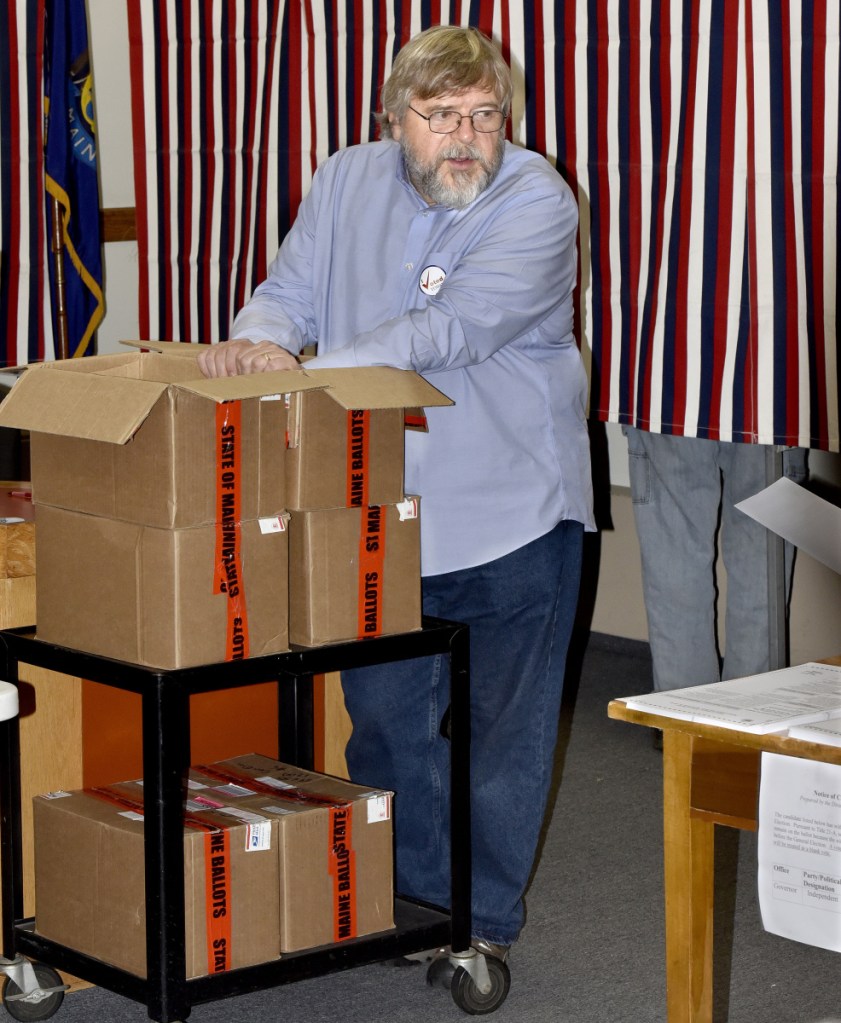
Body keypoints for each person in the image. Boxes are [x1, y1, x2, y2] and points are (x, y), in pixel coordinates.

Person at [198, 24, 595, 960]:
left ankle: (482, 922)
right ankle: (414, 906)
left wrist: (298, 374)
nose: (465, 137)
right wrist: (257, 337)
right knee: (384, 723)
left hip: (513, 514)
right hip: (376, 514)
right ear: (392, 120)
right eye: (439, 116)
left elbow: (442, 332)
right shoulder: (344, 179)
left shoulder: (536, 198)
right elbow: (287, 290)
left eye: (484, 115)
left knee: (502, 737)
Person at [625, 427, 808, 697]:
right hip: (770, 395)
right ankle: (751, 717)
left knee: (676, 559)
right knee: (762, 564)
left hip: (671, 393)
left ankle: (685, 723)